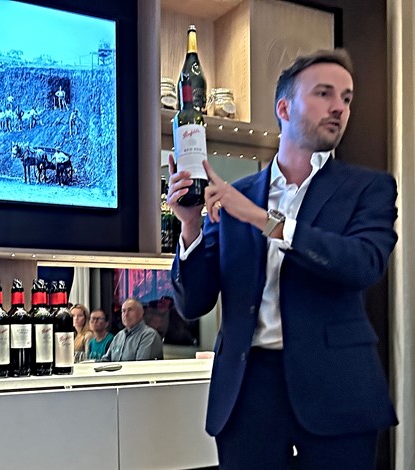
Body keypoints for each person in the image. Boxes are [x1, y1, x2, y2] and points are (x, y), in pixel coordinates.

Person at [168, 49, 398, 469]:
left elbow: (363, 263)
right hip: (247, 393)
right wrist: (190, 226)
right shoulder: (238, 194)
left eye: (346, 98)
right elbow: (193, 303)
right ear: (284, 108)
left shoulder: (369, 188)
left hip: (337, 391)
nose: (339, 107)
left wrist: (264, 220)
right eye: (324, 93)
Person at [99, 298, 163, 362]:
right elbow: (106, 359)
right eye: (123, 311)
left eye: (130, 310)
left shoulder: (149, 335)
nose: (126, 314)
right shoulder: (119, 336)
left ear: (141, 313)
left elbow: (141, 365)